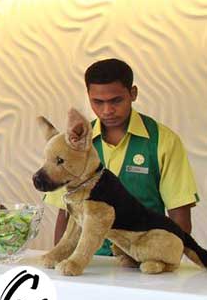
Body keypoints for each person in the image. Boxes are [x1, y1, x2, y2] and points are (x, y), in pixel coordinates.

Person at [46, 58, 199, 255]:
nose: (107, 110)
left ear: (133, 93)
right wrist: (60, 261)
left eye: (116, 100)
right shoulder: (72, 145)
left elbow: (179, 216)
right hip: (88, 263)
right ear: (88, 97)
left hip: (142, 261)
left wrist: (168, 258)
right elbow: (65, 213)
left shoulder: (164, 141)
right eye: (98, 102)